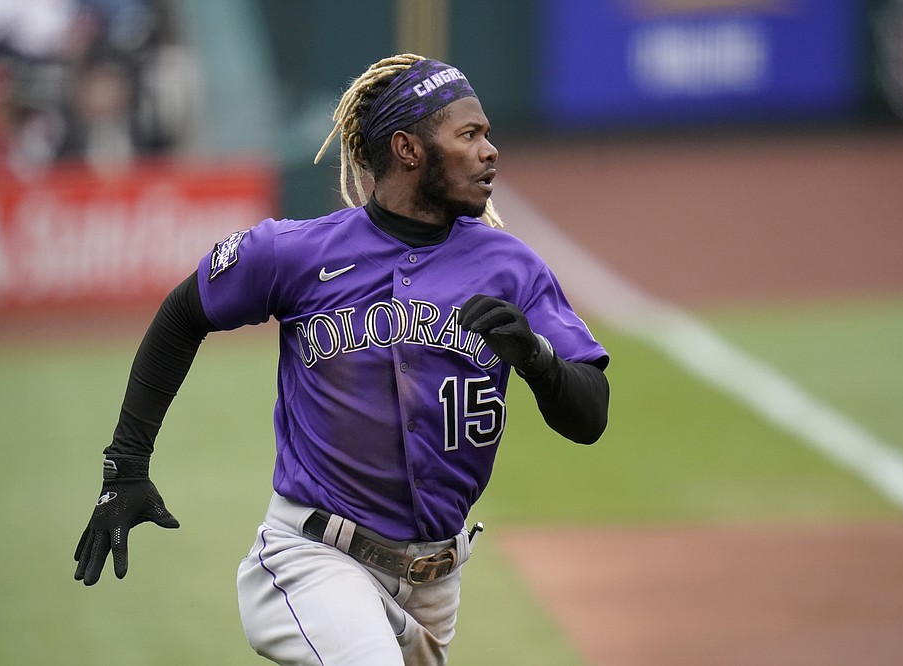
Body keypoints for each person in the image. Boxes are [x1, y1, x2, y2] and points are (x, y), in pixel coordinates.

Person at [73, 53, 610, 665]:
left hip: (435, 585)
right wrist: (127, 465)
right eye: (469, 134)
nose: (490, 150)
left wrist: (538, 360)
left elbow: (590, 417)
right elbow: (182, 315)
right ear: (408, 149)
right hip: (311, 559)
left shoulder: (511, 268)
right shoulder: (295, 253)